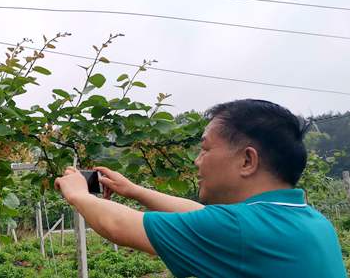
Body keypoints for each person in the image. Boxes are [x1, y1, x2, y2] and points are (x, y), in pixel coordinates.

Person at [54, 99, 347, 278]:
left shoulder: (239, 230)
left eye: (205, 149)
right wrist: (135, 190)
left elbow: (118, 225)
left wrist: (77, 192)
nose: (197, 161)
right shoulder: (310, 221)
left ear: (247, 160)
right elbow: (202, 216)